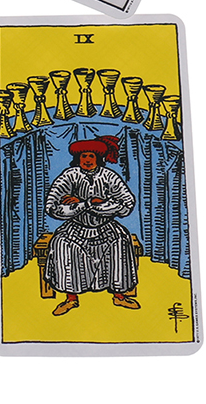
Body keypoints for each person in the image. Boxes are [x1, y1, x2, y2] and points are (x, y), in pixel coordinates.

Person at [44, 134, 139, 315]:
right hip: (75, 228)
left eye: (91, 156)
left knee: (120, 241)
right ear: (78, 158)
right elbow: (52, 207)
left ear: (98, 158)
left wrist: (96, 205)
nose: (87, 160)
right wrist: (87, 203)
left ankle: (119, 296)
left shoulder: (109, 176)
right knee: (62, 244)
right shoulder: (69, 176)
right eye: (84, 156)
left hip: (105, 227)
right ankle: (71, 299)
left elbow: (127, 204)